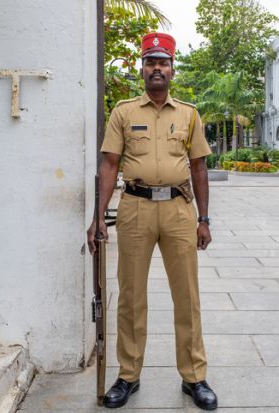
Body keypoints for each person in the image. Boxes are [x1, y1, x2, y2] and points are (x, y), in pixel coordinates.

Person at [87, 32, 217, 411]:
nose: (156, 68)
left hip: (179, 210)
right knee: (130, 295)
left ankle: (194, 378)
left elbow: (199, 167)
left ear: (172, 69)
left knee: (187, 297)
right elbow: (110, 165)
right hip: (135, 208)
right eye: (150, 62)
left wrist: (204, 219)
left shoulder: (189, 114)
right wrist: (98, 216)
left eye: (163, 62)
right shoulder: (124, 112)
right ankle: (128, 375)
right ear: (141, 69)